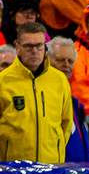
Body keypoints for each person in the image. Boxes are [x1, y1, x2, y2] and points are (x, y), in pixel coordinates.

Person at [0, 22, 74, 163]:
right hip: (13, 171)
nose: (34, 51)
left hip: (51, 169)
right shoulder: (3, 81)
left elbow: (66, 123)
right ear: (18, 47)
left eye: (39, 46)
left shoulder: (60, 80)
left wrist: (55, 152)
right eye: (28, 46)